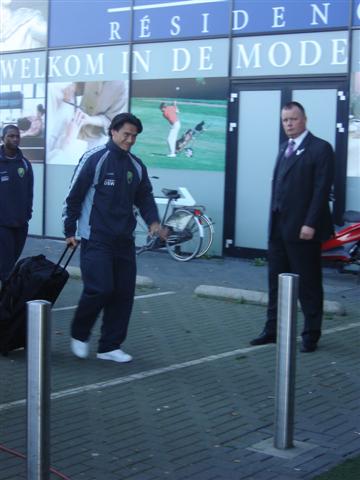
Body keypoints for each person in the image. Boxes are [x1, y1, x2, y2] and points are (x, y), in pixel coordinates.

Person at [63, 113, 166, 363]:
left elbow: (145, 198)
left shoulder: (136, 165)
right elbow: (73, 196)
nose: (130, 140)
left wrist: (154, 222)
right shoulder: (95, 159)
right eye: (126, 134)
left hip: (124, 241)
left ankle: (109, 346)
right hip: (95, 238)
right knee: (100, 289)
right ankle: (79, 334)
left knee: (122, 293)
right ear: (113, 132)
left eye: (134, 136)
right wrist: (69, 231)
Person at [250, 101, 334, 353]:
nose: (288, 124)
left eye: (293, 119)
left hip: (303, 231)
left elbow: (321, 191)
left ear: (304, 119)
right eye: (285, 120)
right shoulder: (284, 148)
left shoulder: (320, 149)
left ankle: (311, 334)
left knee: (308, 284)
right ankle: (272, 330)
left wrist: (309, 223)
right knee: (276, 283)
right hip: (278, 230)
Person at [0, 125, 33, 283]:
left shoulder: (25, 164)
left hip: (21, 223)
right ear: (3, 138)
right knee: (7, 266)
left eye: (17, 136)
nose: (15, 139)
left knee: (11, 261)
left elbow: (29, 190)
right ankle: (8, 303)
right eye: (11, 136)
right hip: (2, 224)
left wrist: (28, 213)